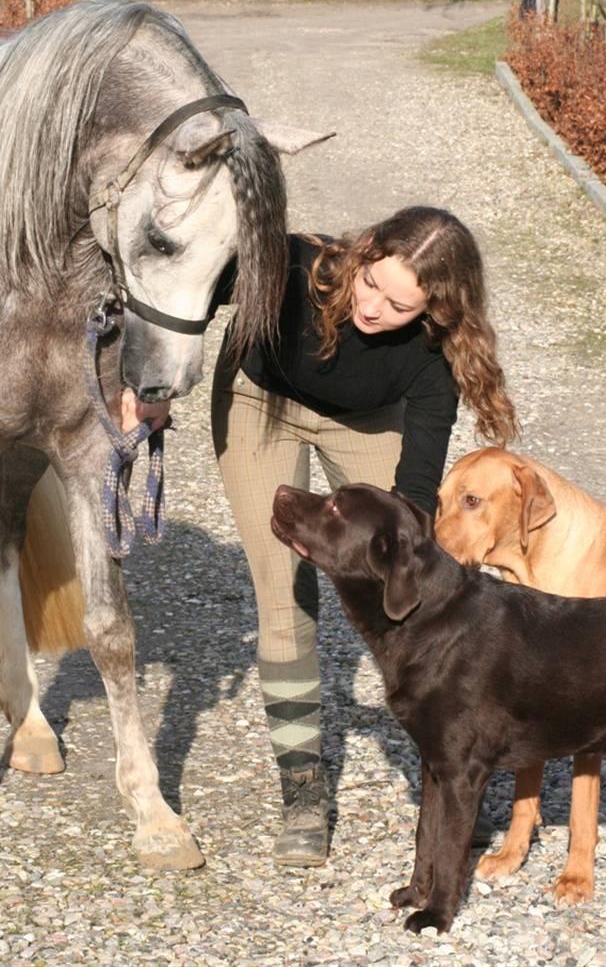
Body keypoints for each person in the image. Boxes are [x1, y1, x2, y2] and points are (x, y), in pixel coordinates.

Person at [211, 205, 519, 867]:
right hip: (258, 402)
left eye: (399, 305)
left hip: (365, 421)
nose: (373, 308)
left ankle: (454, 760)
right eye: (371, 283)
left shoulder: (431, 363)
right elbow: (179, 289)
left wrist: (388, 560)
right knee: (284, 593)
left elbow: (411, 509)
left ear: (433, 313)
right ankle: (302, 790)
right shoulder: (294, 268)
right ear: (365, 250)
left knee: (415, 583)